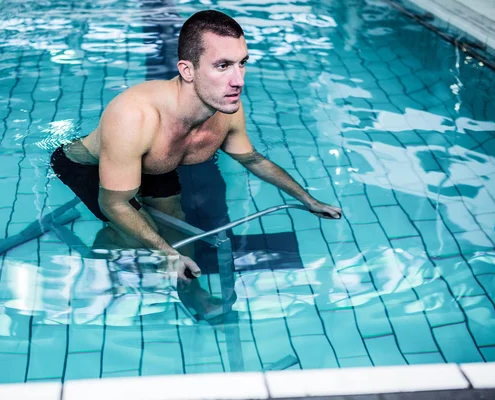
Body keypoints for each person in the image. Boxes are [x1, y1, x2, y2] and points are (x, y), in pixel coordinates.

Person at [50, 9, 342, 282]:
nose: (238, 80)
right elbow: (113, 202)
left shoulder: (227, 109)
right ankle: (102, 267)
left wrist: (309, 200)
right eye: (223, 66)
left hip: (155, 163)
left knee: (176, 225)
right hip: (87, 166)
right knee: (134, 236)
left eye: (242, 63)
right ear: (187, 70)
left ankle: (192, 291)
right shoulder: (133, 116)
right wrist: (166, 254)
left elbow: (253, 160)